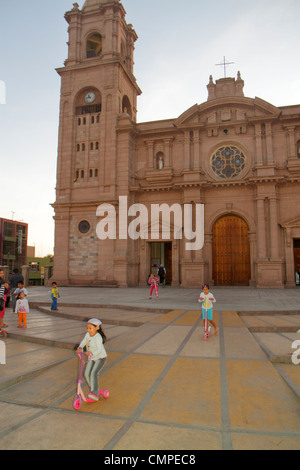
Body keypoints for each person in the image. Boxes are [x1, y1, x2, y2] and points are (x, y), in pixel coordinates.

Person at [77, 318, 107, 402]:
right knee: (86, 374)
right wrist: (80, 348)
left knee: (93, 373)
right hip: (92, 357)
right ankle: (95, 390)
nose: (88, 330)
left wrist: (91, 353)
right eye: (87, 328)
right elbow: (83, 341)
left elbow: (100, 350)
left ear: (97, 327)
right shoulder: (88, 334)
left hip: (100, 358)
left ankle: (95, 393)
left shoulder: (98, 337)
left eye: (90, 328)